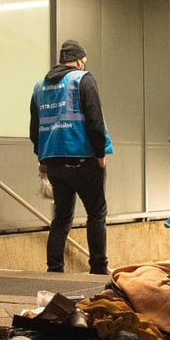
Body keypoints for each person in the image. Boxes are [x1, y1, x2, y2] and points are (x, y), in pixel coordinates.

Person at [30, 39, 113, 275]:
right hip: (84, 160)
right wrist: (100, 155)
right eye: (83, 62)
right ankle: (98, 268)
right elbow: (95, 120)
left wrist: (42, 158)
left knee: (62, 218)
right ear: (78, 61)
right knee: (96, 214)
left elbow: (34, 128)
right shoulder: (82, 79)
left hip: (54, 164)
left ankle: (54, 268)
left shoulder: (39, 87)